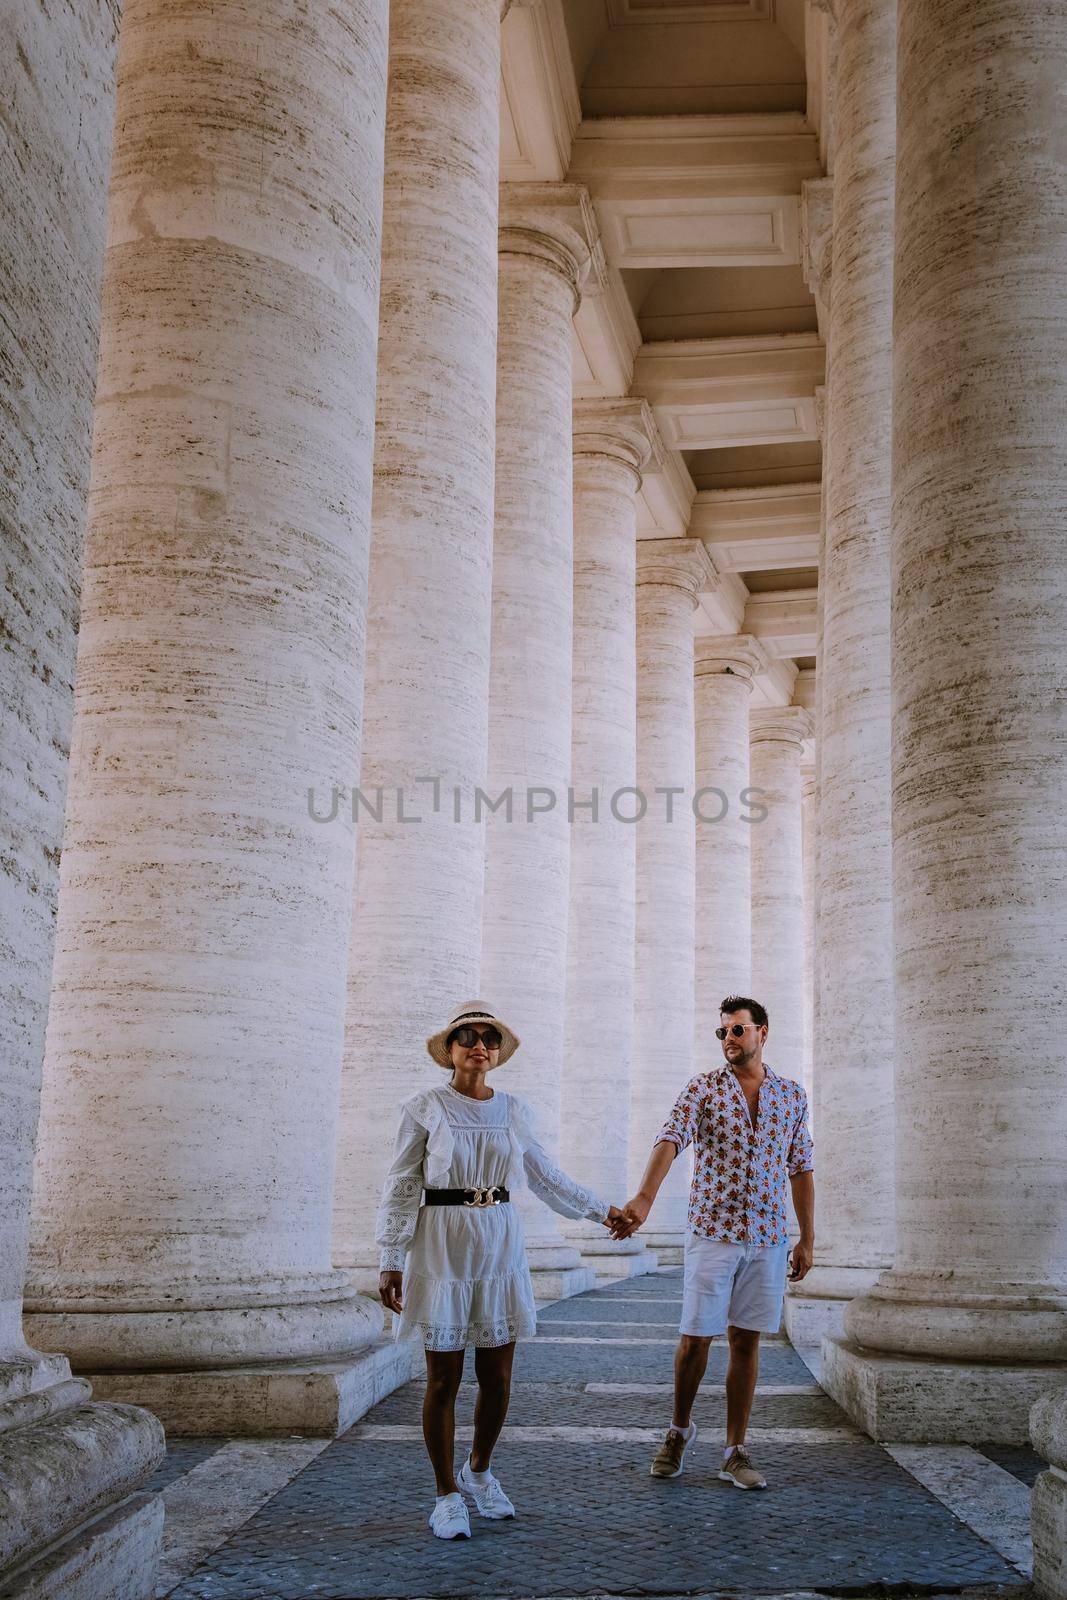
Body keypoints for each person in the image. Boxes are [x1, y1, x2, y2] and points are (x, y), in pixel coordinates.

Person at [377, 1001, 628, 1540]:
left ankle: (480, 1470)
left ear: (496, 1052)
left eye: (488, 1038)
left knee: (497, 1376)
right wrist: (391, 1259)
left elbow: (544, 1174)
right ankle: (445, 1494)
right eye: (466, 1037)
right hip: (441, 1240)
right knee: (443, 1377)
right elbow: (401, 1185)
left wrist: (601, 1210)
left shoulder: (513, 1110)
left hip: (498, 1240)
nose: (478, 1046)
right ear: (450, 1050)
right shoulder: (424, 1107)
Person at [617, 995, 814, 1490]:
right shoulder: (703, 1089)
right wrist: (643, 1198)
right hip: (713, 1232)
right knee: (695, 1339)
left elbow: (801, 1166)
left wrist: (807, 1237)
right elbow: (670, 1139)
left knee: (746, 1340)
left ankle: (735, 1450)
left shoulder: (792, 1095)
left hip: (768, 1235)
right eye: (723, 1032)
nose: (729, 1039)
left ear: (762, 1033)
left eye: (738, 1030)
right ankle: (678, 1431)